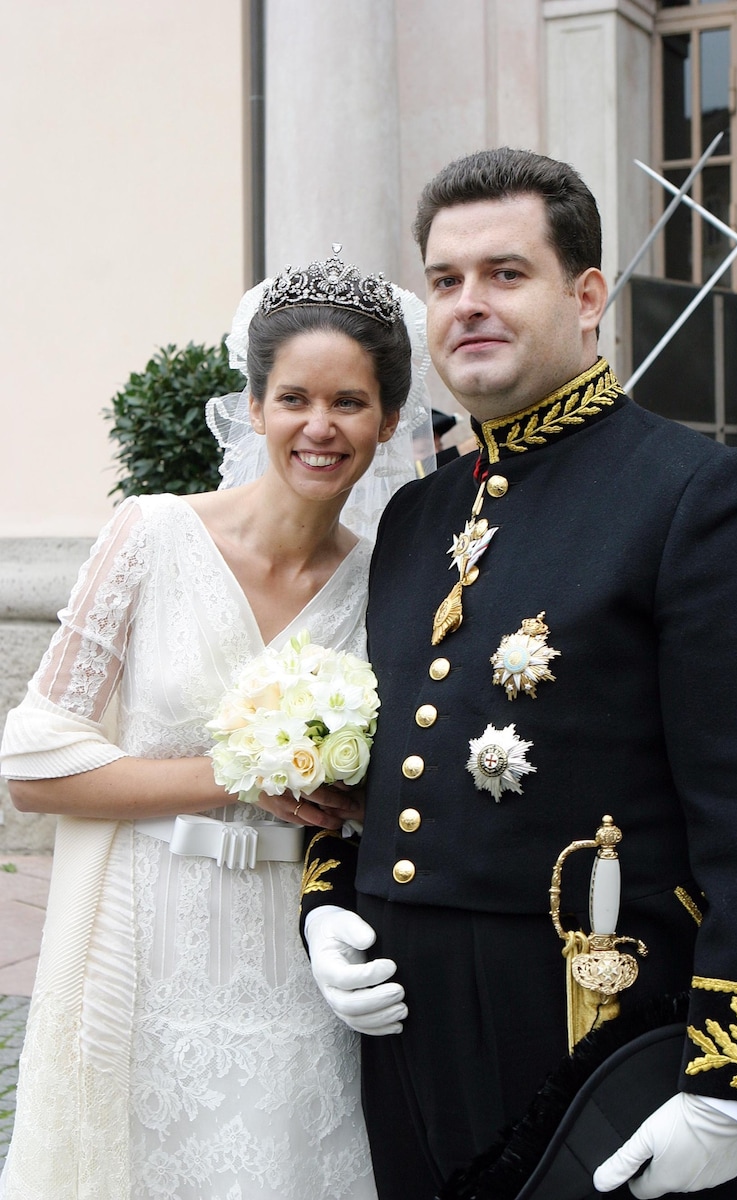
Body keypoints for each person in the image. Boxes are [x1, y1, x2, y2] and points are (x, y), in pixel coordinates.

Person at [263, 149, 737, 1200]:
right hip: (401, 1016)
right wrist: (327, 903)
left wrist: (734, 1086)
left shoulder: (700, 497)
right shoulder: (419, 513)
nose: (468, 304)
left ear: (586, 294)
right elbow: (377, 766)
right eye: (445, 279)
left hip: (592, 1019)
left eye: (505, 274)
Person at [0, 248, 431, 1200]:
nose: (320, 428)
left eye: (350, 403)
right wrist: (242, 774)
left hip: (299, 958)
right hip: (146, 943)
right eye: (294, 399)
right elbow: (32, 767)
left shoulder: (386, 583)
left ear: (391, 421)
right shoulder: (151, 536)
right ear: (252, 406)